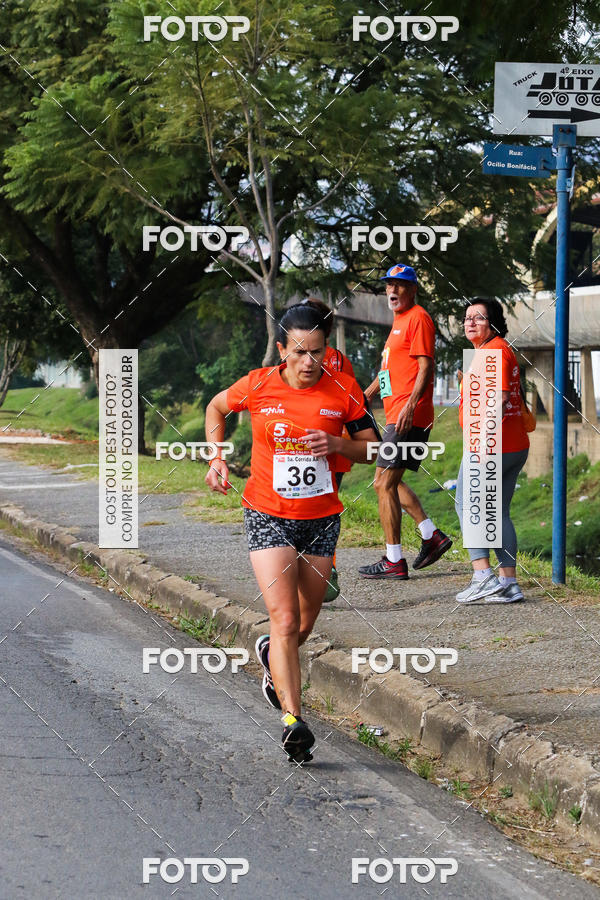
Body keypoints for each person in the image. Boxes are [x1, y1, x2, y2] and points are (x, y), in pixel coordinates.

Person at [204, 304, 378, 762]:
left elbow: (374, 449)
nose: (309, 362)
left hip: (322, 520)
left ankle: (269, 656)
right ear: (282, 349)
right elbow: (216, 407)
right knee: (283, 620)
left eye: (317, 352)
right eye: (299, 352)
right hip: (267, 513)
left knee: (302, 624)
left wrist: (339, 443)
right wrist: (216, 457)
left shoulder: (343, 388)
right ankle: (293, 720)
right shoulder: (259, 383)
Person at [359, 263, 451, 579]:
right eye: (389, 285)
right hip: (397, 414)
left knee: (384, 483)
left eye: (400, 285)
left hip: (408, 416)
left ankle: (394, 560)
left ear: (412, 290)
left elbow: (426, 367)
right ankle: (431, 535)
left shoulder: (419, 318)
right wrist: (366, 393)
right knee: (387, 483)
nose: (393, 291)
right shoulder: (399, 322)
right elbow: (389, 373)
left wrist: (411, 404)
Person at [302, 297, 380, 601]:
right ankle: (324, 569)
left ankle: (314, 569)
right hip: (335, 449)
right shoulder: (341, 361)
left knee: (304, 512)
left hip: (309, 448)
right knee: (325, 510)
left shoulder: (298, 359)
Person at [455, 298, 529, 603]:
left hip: (490, 447)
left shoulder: (493, 350)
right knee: (497, 512)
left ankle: (482, 576)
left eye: (479, 318)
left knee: (467, 504)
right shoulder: (491, 350)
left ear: (493, 323)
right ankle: (509, 584)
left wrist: (482, 441)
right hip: (513, 445)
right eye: (467, 317)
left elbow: (499, 398)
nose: (470, 322)